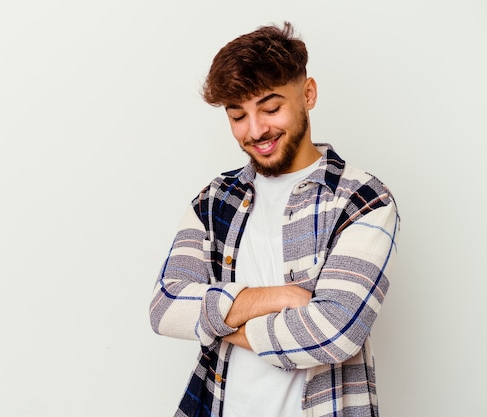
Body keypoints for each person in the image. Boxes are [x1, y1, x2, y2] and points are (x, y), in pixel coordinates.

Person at [149, 21, 400, 417]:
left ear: (308, 94)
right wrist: (274, 298)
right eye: (238, 116)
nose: (256, 130)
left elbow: (332, 334)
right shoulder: (214, 200)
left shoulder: (363, 201)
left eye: (271, 108)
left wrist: (216, 322)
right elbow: (165, 308)